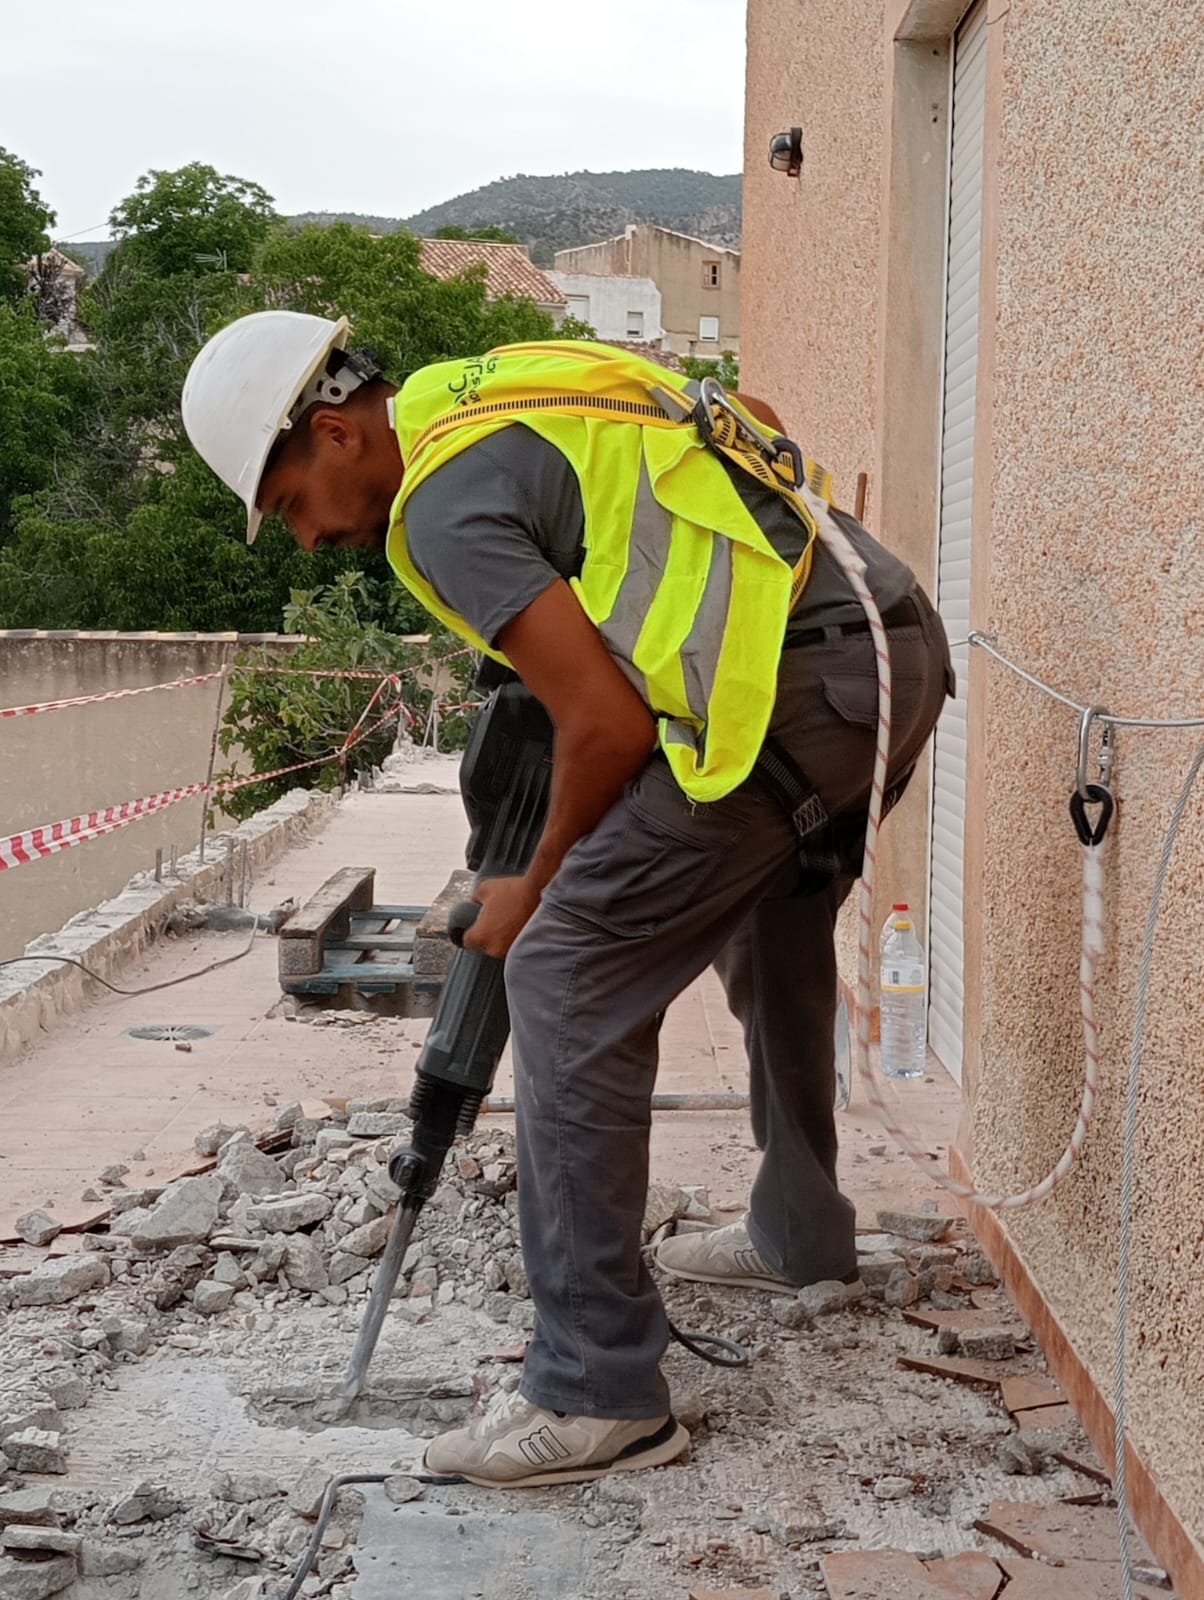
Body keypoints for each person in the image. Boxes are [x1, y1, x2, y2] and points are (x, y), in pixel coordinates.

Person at [182, 311, 952, 1489]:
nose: (305, 537)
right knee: (767, 915)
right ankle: (800, 1233)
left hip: (796, 688)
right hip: (887, 645)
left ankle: (596, 1389)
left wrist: (528, 886)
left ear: (334, 433)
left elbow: (605, 723)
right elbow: (750, 426)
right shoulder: (488, 390)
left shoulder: (437, 509)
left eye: (289, 503)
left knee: (563, 966)